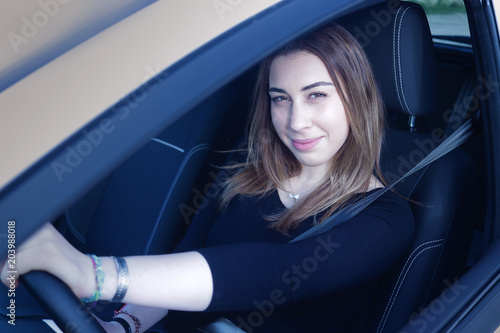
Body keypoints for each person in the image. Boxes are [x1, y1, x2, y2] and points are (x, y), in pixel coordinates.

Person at [1, 23, 414, 332]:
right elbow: (186, 255)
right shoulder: (248, 174)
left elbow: (279, 271)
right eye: (280, 99)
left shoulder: (386, 219)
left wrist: (93, 274)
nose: (295, 121)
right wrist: (123, 324)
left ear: (355, 100)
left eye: (316, 95)